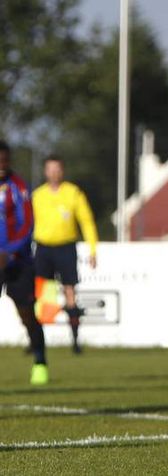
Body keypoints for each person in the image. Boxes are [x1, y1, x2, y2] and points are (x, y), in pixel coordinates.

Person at [32, 155, 98, 354]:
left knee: (70, 292)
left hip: (66, 247)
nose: (54, 173)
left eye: (57, 169)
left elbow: (86, 221)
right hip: (43, 248)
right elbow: (25, 224)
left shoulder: (73, 193)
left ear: (63, 171)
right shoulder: (38, 195)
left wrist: (93, 249)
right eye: (50, 169)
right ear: (45, 172)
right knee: (43, 296)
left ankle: (75, 341)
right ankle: (36, 341)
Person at [0, 140, 49, 385]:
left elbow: (27, 225)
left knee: (27, 313)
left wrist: (8, 252)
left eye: (5, 161)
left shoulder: (18, 187)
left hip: (18, 261)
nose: (1, 166)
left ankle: (40, 361)